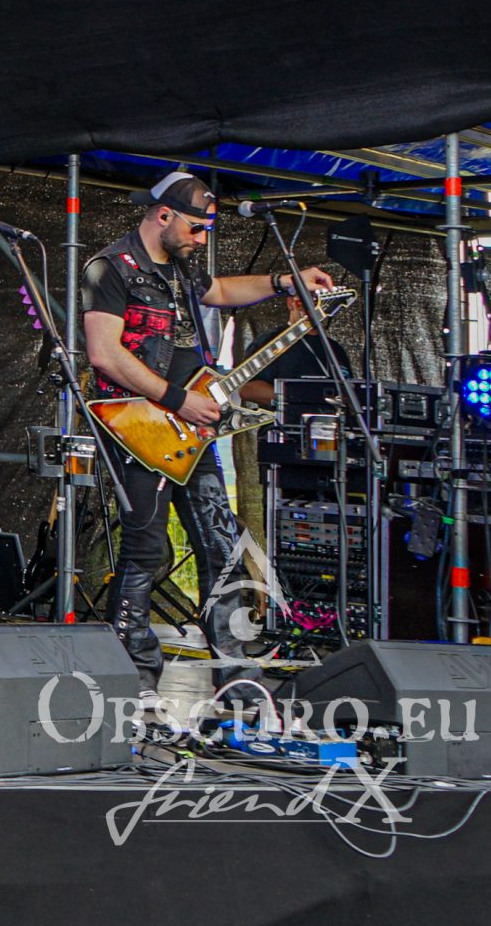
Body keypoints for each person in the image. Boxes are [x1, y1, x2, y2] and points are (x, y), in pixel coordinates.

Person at [82, 171, 336, 690]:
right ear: (164, 215)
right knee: (145, 547)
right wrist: (178, 399)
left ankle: (235, 674)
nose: (201, 240)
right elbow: (104, 353)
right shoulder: (111, 267)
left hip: (192, 428)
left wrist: (283, 281)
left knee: (220, 544)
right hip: (139, 425)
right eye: (196, 228)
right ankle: (134, 675)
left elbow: (219, 291)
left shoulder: (181, 267)